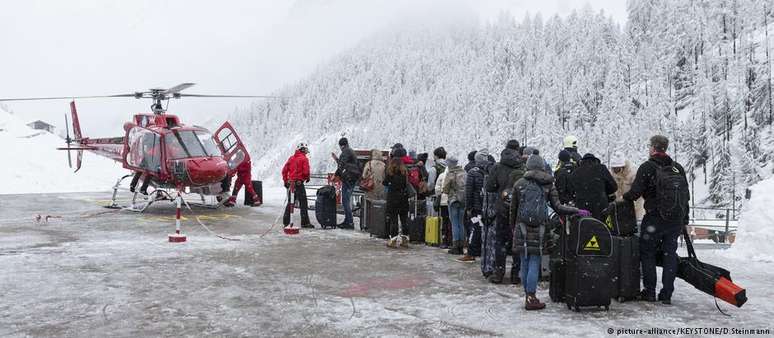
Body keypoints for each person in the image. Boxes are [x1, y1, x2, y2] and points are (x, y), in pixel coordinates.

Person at [510, 154, 586, 310]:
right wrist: (576, 210)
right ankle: (531, 297)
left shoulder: (519, 184)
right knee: (534, 261)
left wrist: (513, 227)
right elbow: (558, 207)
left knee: (524, 261)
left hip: (521, 227)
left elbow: (513, 209)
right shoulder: (548, 184)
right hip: (540, 229)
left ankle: (528, 296)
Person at [623, 135, 690, 305]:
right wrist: (684, 220)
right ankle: (667, 293)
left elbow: (635, 193)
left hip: (654, 218)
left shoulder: (647, 167)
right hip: (675, 220)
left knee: (647, 253)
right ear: (665, 148)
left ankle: (650, 291)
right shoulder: (678, 168)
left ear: (653, 148)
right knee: (670, 255)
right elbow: (686, 197)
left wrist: (624, 197)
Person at [485, 139, 525, 284]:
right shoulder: (522, 166)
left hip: (502, 207)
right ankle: (516, 274)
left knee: (500, 241)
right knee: (517, 240)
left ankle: (499, 272)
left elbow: (489, 187)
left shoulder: (498, 167)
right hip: (518, 208)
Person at [461, 149, 491, 262]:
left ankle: (471, 252)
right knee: (485, 229)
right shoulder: (490, 171)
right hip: (487, 207)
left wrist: (468, 207)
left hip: (476, 208)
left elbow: (468, 192)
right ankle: (483, 251)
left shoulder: (472, 173)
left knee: (474, 228)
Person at [568, 153, 617, 220]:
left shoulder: (575, 173)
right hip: (601, 206)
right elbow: (614, 187)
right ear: (595, 161)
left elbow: (571, 191)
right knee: (603, 228)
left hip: (583, 208)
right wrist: (604, 192)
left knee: (586, 227)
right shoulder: (601, 168)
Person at [332, 137, 361, 229]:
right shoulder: (350, 151)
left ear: (341, 145)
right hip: (351, 179)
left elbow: (341, 165)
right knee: (346, 201)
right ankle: (347, 221)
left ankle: (350, 222)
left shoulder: (345, 151)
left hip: (349, 180)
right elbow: (343, 164)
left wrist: (335, 174)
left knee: (345, 201)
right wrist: (337, 159)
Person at [282, 143, 311, 228]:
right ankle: (305, 223)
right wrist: (307, 177)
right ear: (302, 149)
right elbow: (306, 172)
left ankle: (286, 222)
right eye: (305, 150)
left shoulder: (291, 158)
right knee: (303, 203)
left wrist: (285, 181)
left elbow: (284, 170)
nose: (306, 152)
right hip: (299, 184)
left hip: (291, 184)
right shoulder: (304, 159)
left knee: (290, 203)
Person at [383, 157, 410, 248]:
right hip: (403, 199)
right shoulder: (404, 173)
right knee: (404, 220)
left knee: (393, 220)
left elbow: (384, 183)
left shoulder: (390, 174)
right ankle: (405, 240)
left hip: (393, 199)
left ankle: (393, 241)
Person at [609, 154, 645, 221]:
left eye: (617, 168)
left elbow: (637, 191)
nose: (615, 170)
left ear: (623, 166)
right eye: (614, 168)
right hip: (619, 206)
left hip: (634, 206)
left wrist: (626, 198)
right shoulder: (611, 174)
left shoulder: (633, 173)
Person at [442, 156, 466, 255]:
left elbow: (445, 189)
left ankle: (455, 246)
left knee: (454, 223)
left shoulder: (450, 173)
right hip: (463, 200)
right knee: (461, 223)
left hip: (453, 201)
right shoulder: (464, 172)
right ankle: (462, 245)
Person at [434, 162, 451, 249]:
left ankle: (444, 241)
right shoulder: (456, 174)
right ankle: (452, 240)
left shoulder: (442, 175)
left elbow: (437, 189)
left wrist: (440, 195)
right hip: (453, 201)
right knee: (452, 222)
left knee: (444, 221)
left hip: (444, 202)